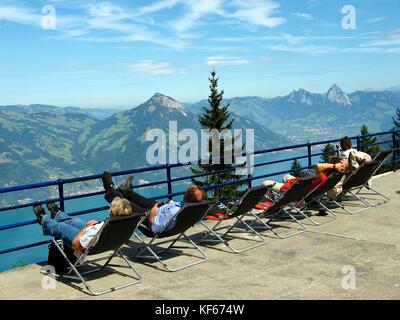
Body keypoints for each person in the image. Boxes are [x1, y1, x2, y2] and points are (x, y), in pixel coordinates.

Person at [101, 170, 205, 234]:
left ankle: (110, 190)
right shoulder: (191, 208)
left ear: (185, 195)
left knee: (125, 204)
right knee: (149, 202)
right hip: (159, 210)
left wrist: (154, 210)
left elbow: (154, 226)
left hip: (148, 219)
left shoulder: (175, 212)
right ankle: (126, 192)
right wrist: (157, 206)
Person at [33, 197, 132, 253]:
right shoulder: (126, 223)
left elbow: (76, 244)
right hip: (98, 237)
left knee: (61, 227)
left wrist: (87, 228)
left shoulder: (108, 224)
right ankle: (57, 214)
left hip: (85, 243)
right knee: (74, 221)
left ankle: (43, 217)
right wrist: (92, 225)